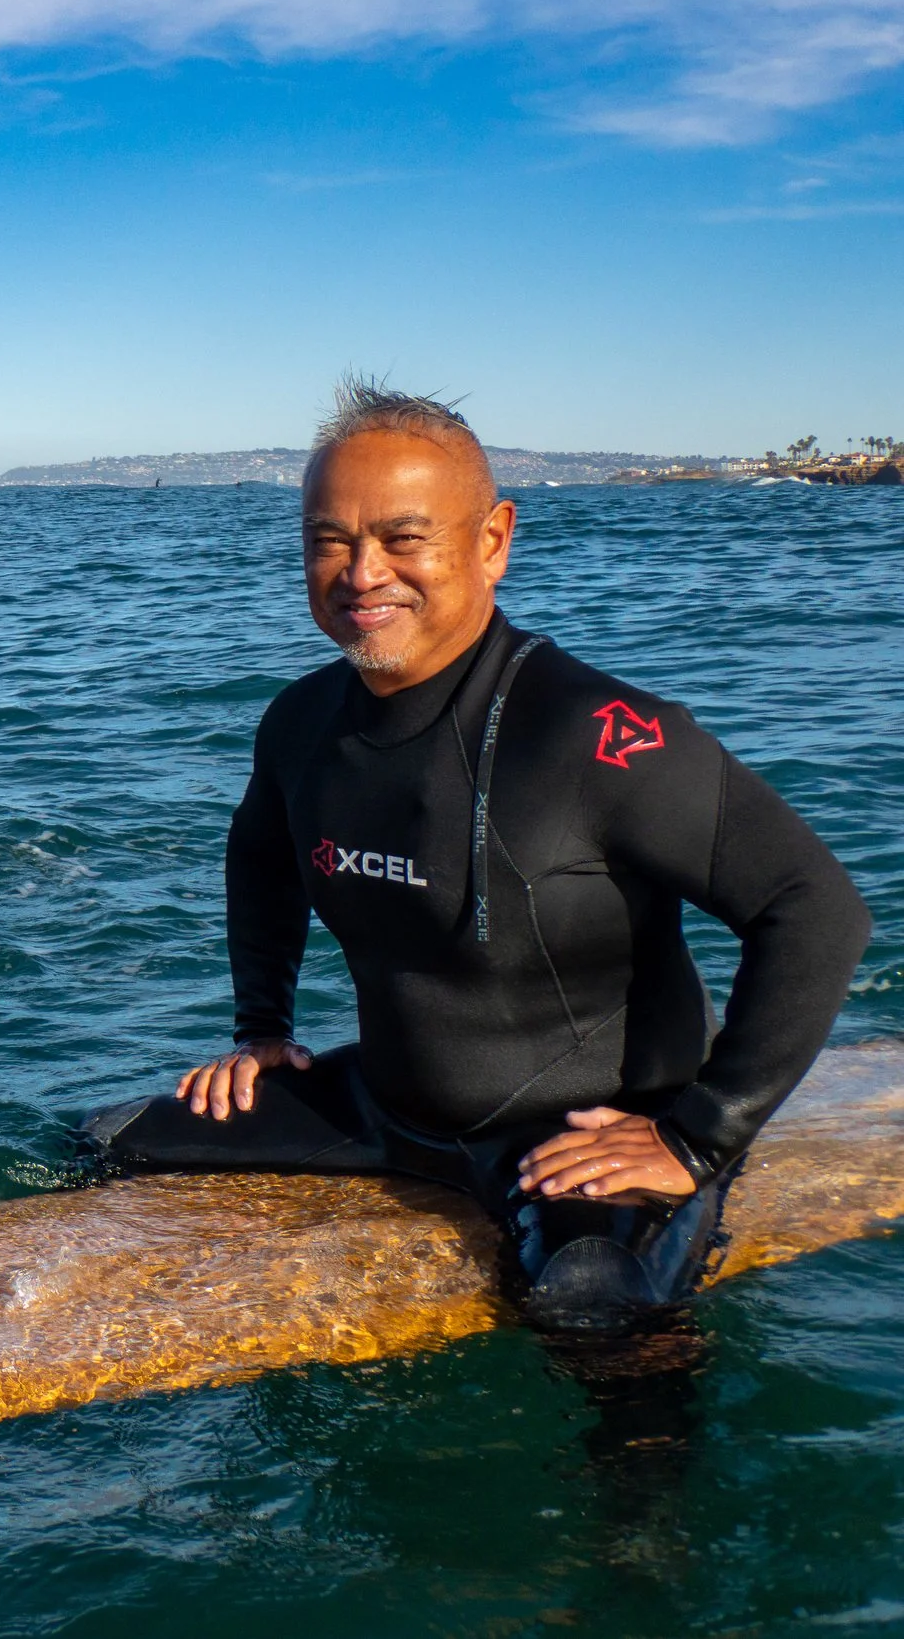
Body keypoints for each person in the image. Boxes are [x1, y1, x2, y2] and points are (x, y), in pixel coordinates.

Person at [89, 379, 872, 1323]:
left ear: (492, 540)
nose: (362, 572)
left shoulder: (595, 732)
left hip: (581, 1135)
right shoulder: (302, 723)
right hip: (386, 1109)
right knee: (112, 1141)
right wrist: (262, 1029)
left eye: (401, 537)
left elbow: (814, 906)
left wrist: (700, 1137)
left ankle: (647, 1459)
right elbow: (259, 858)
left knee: (594, 1306)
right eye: (329, 539)